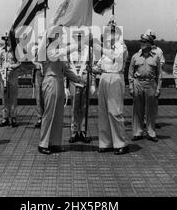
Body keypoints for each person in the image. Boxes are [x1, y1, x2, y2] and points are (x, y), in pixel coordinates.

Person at [37, 25, 85, 155]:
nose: (62, 37)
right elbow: (60, 54)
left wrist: (78, 80)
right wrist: (78, 45)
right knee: (49, 113)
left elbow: (66, 69)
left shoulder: (58, 50)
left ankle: (54, 143)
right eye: (60, 35)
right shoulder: (49, 50)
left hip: (58, 81)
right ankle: (43, 143)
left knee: (58, 113)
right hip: (50, 80)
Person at [92, 22, 129, 155]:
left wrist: (99, 46)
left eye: (111, 32)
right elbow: (100, 65)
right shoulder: (106, 49)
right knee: (103, 111)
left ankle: (121, 143)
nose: (108, 35)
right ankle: (105, 142)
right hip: (104, 77)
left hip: (115, 78)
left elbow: (115, 57)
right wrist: (92, 68)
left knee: (114, 111)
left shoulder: (121, 47)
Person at [129, 33, 162, 142]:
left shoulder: (156, 57)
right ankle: (137, 132)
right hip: (138, 83)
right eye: (141, 42)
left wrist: (158, 88)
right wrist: (131, 86)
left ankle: (151, 132)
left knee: (150, 110)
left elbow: (159, 74)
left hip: (150, 83)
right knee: (137, 109)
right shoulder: (135, 56)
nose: (142, 44)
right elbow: (130, 73)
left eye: (145, 42)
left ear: (150, 44)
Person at [67, 40, 96, 144]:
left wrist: (92, 83)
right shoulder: (70, 50)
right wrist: (65, 86)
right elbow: (66, 67)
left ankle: (83, 131)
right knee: (74, 107)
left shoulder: (89, 50)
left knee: (84, 107)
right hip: (73, 79)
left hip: (85, 79)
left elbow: (92, 68)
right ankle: (74, 132)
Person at [0, 32, 21, 128]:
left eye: (9, 39)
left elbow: (19, 63)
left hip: (13, 76)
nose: (7, 41)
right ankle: (5, 117)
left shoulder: (16, 51)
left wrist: (10, 66)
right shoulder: (0, 50)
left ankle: (13, 118)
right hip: (3, 78)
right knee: (4, 97)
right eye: (6, 39)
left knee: (13, 98)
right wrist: (2, 72)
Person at [141, 29, 164, 129]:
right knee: (143, 101)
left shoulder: (158, 51)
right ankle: (144, 121)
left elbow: (161, 63)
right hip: (144, 78)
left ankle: (152, 120)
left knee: (153, 101)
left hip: (154, 78)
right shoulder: (141, 50)